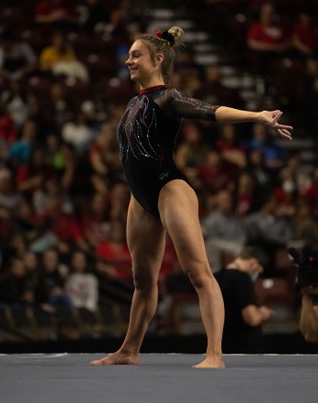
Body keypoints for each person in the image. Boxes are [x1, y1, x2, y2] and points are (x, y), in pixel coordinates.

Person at [90, 25, 292, 369]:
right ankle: (129, 350)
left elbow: (212, 111)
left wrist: (257, 116)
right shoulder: (133, 101)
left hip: (170, 188)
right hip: (140, 199)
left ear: (157, 59)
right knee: (142, 281)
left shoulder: (168, 97)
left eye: (135, 55)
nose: (128, 61)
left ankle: (215, 354)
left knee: (198, 272)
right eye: (128, 55)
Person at [214, 246, 274, 353]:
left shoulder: (216, 277)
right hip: (244, 348)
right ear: (253, 262)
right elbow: (252, 318)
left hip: (223, 346)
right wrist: (263, 314)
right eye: (258, 270)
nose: (257, 275)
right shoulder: (242, 279)